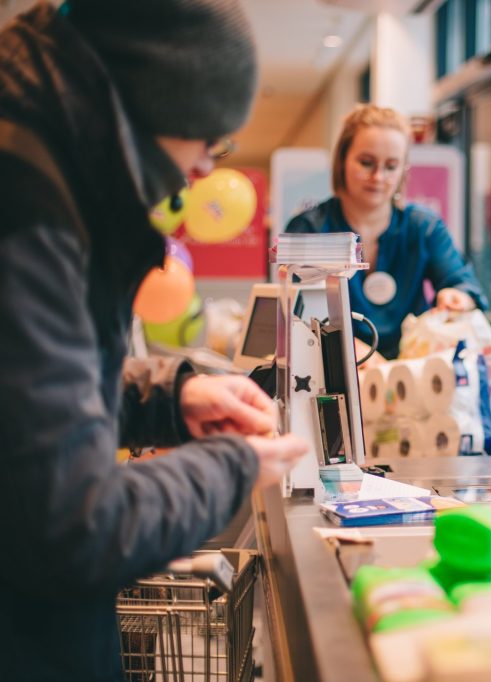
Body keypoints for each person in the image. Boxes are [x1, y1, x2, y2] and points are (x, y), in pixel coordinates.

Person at [0, 2, 308, 680]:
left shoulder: (48, 170)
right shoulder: (27, 204)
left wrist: (171, 394)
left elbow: (31, 393)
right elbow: (72, 527)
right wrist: (232, 467)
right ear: (155, 98)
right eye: (208, 140)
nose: (203, 172)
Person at [285, 104, 487, 359]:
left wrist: (456, 296)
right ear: (342, 161)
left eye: (391, 166)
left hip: (410, 370)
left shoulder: (423, 227)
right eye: (366, 163)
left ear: (404, 170)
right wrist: (351, 352)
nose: (378, 176)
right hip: (332, 369)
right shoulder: (310, 230)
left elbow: (464, 284)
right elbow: (301, 315)